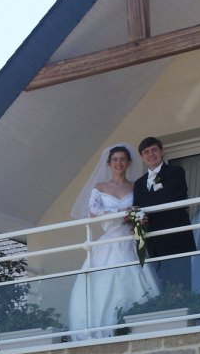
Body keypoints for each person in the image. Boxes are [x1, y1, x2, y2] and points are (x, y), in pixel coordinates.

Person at [68, 144, 160, 338]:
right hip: (109, 240)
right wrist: (119, 213)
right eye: (115, 160)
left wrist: (135, 216)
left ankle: (139, 325)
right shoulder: (100, 187)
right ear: (109, 163)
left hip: (130, 240)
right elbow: (93, 212)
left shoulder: (136, 187)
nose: (119, 163)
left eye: (123, 159)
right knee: (104, 286)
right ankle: (104, 329)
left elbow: (143, 208)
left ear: (128, 163)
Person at [133, 136, 196, 290]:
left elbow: (169, 197)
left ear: (162, 152)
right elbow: (137, 209)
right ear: (142, 157)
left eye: (154, 150)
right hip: (153, 241)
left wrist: (144, 206)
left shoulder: (175, 172)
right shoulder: (139, 183)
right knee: (160, 286)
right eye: (146, 152)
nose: (151, 154)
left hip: (176, 237)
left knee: (181, 284)